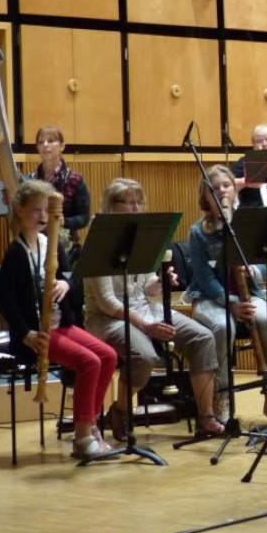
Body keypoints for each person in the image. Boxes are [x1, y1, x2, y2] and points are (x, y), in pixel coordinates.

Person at [84, 179, 224, 442]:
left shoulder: (140, 235)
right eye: (129, 202)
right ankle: (120, 411)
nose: (136, 208)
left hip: (145, 309)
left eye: (139, 202)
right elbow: (106, 302)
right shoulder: (99, 240)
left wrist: (159, 282)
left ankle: (206, 417)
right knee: (144, 355)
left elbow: (145, 286)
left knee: (202, 338)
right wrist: (146, 326)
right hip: (107, 318)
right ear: (111, 205)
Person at [0, 180, 117, 459]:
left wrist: (65, 284)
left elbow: (68, 279)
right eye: (36, 210)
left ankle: (90, 421)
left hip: (60, 325)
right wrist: (26, 333)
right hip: (36, 335)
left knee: (108, 356)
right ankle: (82, 436)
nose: (42, 216)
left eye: (46, 210)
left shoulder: (50, 243)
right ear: (19, 211)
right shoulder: (16, 253)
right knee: (89, 362)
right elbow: (7, 301)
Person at [185, 165, 267, 423]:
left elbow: (265, 260)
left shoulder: (248, 226)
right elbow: (204, 278)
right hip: (210, 298)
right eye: (214, 188)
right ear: (205, 195)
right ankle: (222, 394)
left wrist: (254, 269)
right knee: (222, 327)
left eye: (226, 185)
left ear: (235, 189)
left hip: (248, 293)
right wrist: (230, 303)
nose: (221, 191)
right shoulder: (198, 232)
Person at [28, 126, 90, 266]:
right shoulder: (29, 181)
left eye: (51, 141)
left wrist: (64, 222)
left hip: (67, 251)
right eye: (41, 142)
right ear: (37, 147)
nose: (45, 145)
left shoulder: (75, 180)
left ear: (62, 146)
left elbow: (84, 217)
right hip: (36, 249)